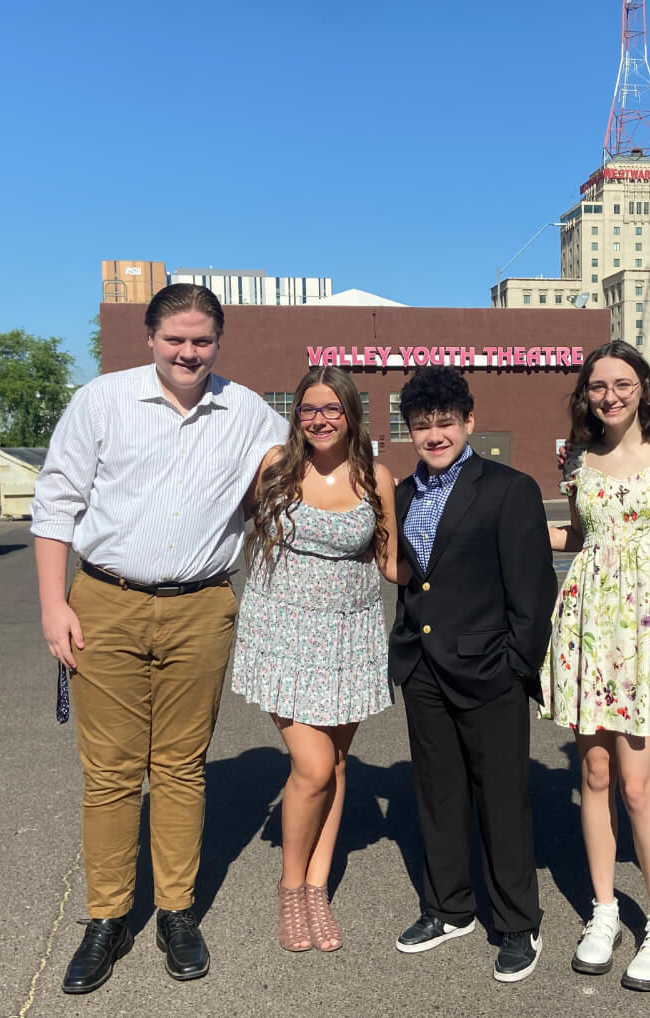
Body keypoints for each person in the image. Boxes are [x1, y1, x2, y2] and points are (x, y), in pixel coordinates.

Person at [31, 284, 288, 994]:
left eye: (202, 340)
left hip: (200, 608)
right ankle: (107, 918)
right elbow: (54, 504)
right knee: (112, 774)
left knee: (180, 766)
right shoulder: (102, 401)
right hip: (105, 603)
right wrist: (54, 605)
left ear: (218, 342)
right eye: (175, 339)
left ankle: (176, 911)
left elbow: (306, 471)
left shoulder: (245, 412)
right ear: (150, 338)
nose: (188, 352)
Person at [388, 365, 558, 983]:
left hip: (491, 669)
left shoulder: (508, 489)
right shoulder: (404, 494)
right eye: (422, 424)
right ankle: (449, 907)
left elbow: (533, 589)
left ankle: (517, 924)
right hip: (424, 666)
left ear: (468, 423)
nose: (434, 434)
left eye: (445, 422)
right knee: (436, 794)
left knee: (502, 800)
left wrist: (517, 663)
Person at [541, 340, 650, 991]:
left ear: (643, 385)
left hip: (647, 625)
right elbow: (576, 536)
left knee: (638, 785)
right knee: (596, 774)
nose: (609, 394)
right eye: (598, 385)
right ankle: (604, 911)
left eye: (621, 382)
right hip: (586, 619)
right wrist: (510, 526)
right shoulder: (577, 456)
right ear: (587, 394)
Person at [230, 365, 400, 954]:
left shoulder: (374, 475)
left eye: (332, 409)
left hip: (349, 636)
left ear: (351, 414)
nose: (321, 419)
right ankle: (289, 886)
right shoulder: (275, 467)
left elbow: (393, 564)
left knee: (339, 764)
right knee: (313, 767)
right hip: (282, 631)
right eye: (309, 409)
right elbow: (224, 521)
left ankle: (317, 886)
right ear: (297, 415)